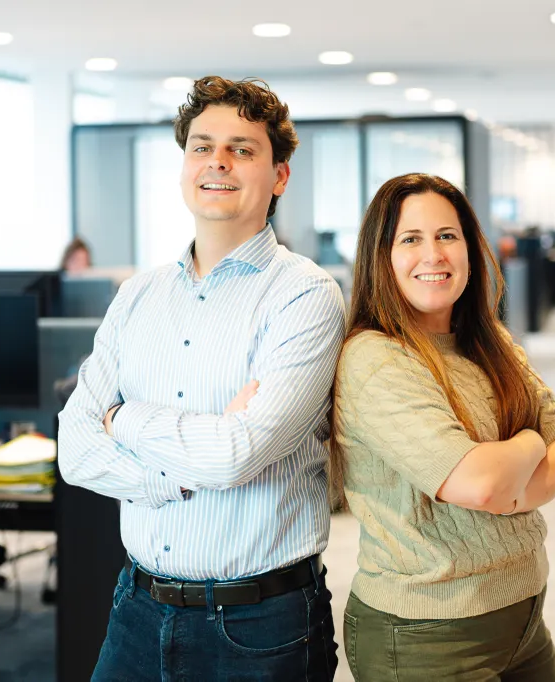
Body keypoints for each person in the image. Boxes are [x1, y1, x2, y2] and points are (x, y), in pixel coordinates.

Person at [58, 76, 344, 681]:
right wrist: (181, 472)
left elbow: (235, 456)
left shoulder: (305, 297)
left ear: (280, 176)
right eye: (202, 145)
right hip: (135, 606)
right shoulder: (137, 296)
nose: (218, 161)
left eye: (242, 148)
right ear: (184, 164)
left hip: (258, 625)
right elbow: (76, 450)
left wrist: (124, 419)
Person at [332, 173, 555, 681]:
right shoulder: (376, 359)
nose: (434, 255)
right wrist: (530, 441)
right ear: (381, 258)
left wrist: (506, 479)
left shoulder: (492, 344)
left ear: (471, 247)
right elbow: (479, 483)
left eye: (448, 236)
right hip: (428, 633)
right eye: (411, 239)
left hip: (524, 613)